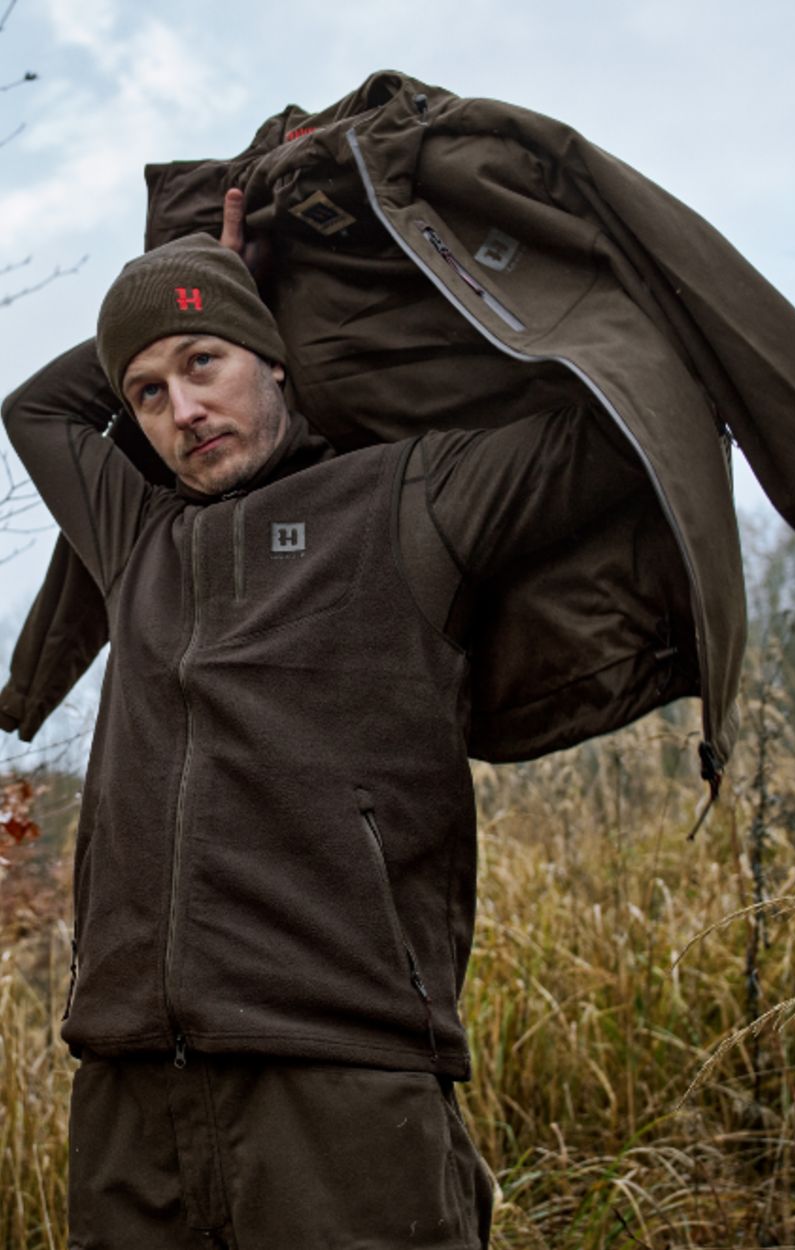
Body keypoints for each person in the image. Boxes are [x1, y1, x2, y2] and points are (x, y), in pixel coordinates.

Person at [2, 195, 650, 1248]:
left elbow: (612, 418)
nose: (180, 407)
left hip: (341, 1068)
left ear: (276, 355)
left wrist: (255, 282)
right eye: (148, 392)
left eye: (205, 360)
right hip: (128, 1080)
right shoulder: (138, 540)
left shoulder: (410, 497)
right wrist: (185, 287)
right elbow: (36, 409)